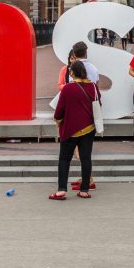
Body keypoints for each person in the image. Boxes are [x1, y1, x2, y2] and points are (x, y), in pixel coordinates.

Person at [50, 60, 98, 200]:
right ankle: (84, 190)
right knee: (86, 158)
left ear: (71, 73)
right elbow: (98, 103)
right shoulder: (93, 87)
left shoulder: (68, 88)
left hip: (70, 129)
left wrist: (58, 121)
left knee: (64, 159)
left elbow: (59, 111)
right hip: (88, 128)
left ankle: (61, 190)